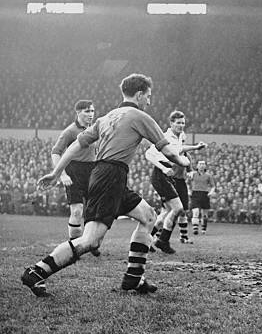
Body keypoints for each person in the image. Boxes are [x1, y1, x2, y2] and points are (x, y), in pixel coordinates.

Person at [23, 74, 190, 297]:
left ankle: (134, 277)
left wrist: (56, 172)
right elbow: (168, 151)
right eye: (148, 96)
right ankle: (37, 272)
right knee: (90, 241)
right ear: (139, 95)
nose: (149, 101)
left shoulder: (106, 118)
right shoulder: (140, 116)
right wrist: (185, 161)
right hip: (110, 176)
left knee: (148, 216)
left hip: (107, 175)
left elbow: (74, 146)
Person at [146, 110, 206, 253]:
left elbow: (180, 149)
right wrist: (163, 168)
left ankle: (151, 240)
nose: (181, 125)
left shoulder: (178, 137)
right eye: (178, 123)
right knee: (177, 209)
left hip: (168, 175)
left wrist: (195, 148)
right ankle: (162, 241)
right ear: (171, 123)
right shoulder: (166, 136)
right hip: (161, 174)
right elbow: (148, 154)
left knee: (169, 211)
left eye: (183, 123)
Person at [50, 100, 98, 255]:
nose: (91, 114)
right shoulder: (70, 131)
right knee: (77, 211)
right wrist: (62, 174)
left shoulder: (94, 128)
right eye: (87, 111)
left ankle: (89, 242)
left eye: (92, 111)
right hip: (73, 171)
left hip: (92, 170)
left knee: (93, 210)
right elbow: (56, 152)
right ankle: (74, 248)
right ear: (78, 112)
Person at [189, 161, 216, 235]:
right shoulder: (193, 174)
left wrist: (211, 192)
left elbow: (213, 186)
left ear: (205, 166)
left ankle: (203, 229)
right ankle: (195, 228)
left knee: (204, 214)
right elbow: (187, 183)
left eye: (203, 164)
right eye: (200, 164)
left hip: (205, 194)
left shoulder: (208, 175)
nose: (201, 166)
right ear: (197, 166)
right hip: (195, 194)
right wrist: (188, 191)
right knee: (196, 211)